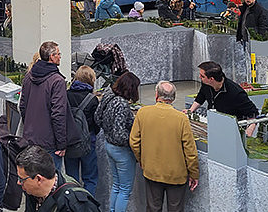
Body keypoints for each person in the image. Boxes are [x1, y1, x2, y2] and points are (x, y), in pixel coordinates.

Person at [130, 81, 199, 212]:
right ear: (174, 98)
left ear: (156, 94)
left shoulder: (142, 113)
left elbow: (134, 142)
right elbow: (190, 151)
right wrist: (194, 174)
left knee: (153, 208)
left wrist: (142, 160)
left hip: (152, 171)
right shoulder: (181, 118)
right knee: (175, 208)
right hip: (176, 174)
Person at [20, 41, 70, 170]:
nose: (60, 57)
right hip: (49, 142)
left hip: (30, 138)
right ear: (51, 57)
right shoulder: (57, 81)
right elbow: (58, 114)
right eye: (58, 54)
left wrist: (30, 127)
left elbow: (23, 106)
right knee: (51, 179)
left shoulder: (29, 77)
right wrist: (61, 144)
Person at [94, 72, 140, 212]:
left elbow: (97, 117)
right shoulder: (122, 104)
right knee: (125, 190)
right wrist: (133, 142)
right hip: (121, 151)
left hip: (108, 145)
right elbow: (120, 134)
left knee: (116, 186)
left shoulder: (108, 96)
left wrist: (108, 130)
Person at [16, 146, 101, 212]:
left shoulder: (75, 204)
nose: (18, 182)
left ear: (38, 179)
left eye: (22, 179)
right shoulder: (33, 192)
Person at [187, 61, 259, 136]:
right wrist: (190, 110)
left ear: (211, 79)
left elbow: (253, 113)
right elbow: (201, 96)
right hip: (214, 122)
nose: (199, 77)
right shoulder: (206, 84)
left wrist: (250, 128)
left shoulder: (236, 93)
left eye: (202, 76)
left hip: (232, 127)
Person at [65, 65, 99, 195]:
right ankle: (87, 203)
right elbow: (96, 124)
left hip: (70, 141)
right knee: (90, 178)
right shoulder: (92, 99)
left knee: (71, 178)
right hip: (88, 141)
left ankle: (72, 203)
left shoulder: (66, 95)